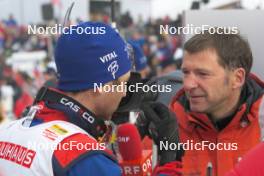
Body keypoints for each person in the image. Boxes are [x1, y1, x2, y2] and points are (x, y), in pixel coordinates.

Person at [0, 22, 182, 176]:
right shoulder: (82, 156)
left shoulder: (8, 130)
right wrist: (169, 160)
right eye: (123, 83)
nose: (125, 93)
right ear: (100, 86)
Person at [169, 29, 264, 175]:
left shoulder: (260, 121)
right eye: (186, 72)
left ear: (237, 78)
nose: (188, 84)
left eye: (202, 74)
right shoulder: (167, 124)